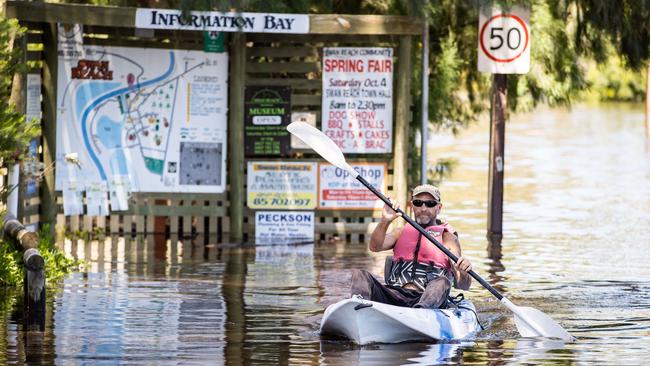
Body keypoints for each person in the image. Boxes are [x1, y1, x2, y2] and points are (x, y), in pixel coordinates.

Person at [350, 184, 472, 309]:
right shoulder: (400, 232)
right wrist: (385, 220)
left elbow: (464, 285)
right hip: (395, 294)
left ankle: (421, 311)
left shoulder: (448, 238)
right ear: (412, 205)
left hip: (427, 299)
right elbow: (374, 247)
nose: (423, 208)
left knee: (442, 282)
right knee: (360, 275)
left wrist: (463, 272)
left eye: (430, 203)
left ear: (439, 208)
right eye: (418, 203)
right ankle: (358, 308)